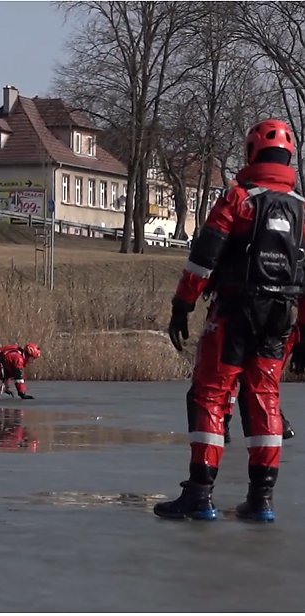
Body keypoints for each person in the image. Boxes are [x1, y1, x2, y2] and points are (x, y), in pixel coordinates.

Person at [158, 118, 305, 522]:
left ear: (251, 153)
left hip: (235, 312)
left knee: (210, 395)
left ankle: (200, 495)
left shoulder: (238, 199)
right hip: (281, 318)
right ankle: (261, 500)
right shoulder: (302, 211)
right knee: (265, 399)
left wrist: (182, 305)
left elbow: (203, 259)